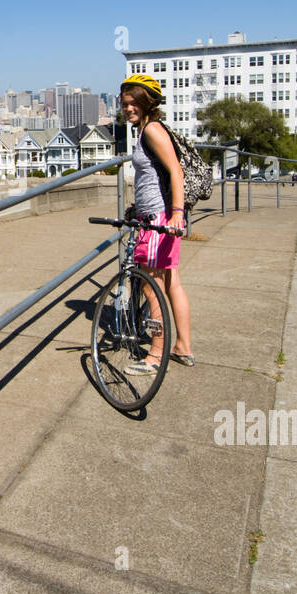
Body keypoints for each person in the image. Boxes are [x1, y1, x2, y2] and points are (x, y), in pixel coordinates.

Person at [119, 73, 193, 373]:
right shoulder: (147, 130)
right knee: (172, 282)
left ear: (147, 102)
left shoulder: (151, 130)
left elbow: (176, 171)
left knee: (152, 288)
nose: (127, 109)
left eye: (133, 103)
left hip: (159, 220)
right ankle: (182, 346)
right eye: (124, 104)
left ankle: (155, 354)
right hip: (155, 215)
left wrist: (176, 213)